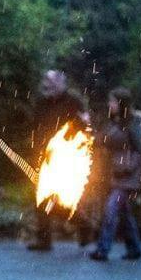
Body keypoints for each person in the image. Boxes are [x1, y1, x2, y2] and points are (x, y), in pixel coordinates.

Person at [28, 68, 87, 251]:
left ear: (62, 83)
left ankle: (84, 225)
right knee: (41, 197)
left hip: (66, 156)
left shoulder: (73, 101)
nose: (47, 86)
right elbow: (35, 126)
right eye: (46, 82)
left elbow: (85, 125)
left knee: (60, 199)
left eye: (52, 83)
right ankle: (44, 240)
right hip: (43, 156)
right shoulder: (42, 102)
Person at [89, 87, 141, 262]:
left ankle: (102, 249)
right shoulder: (115, 122)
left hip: (127, 177)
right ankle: (134, 248)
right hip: (117, 175)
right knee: (125, 214)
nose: (110, 104)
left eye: (112, 101)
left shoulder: (134, 123)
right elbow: (101, 140)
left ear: (121, 103)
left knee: (111, 210)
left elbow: (139, 149)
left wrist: (129, 167)